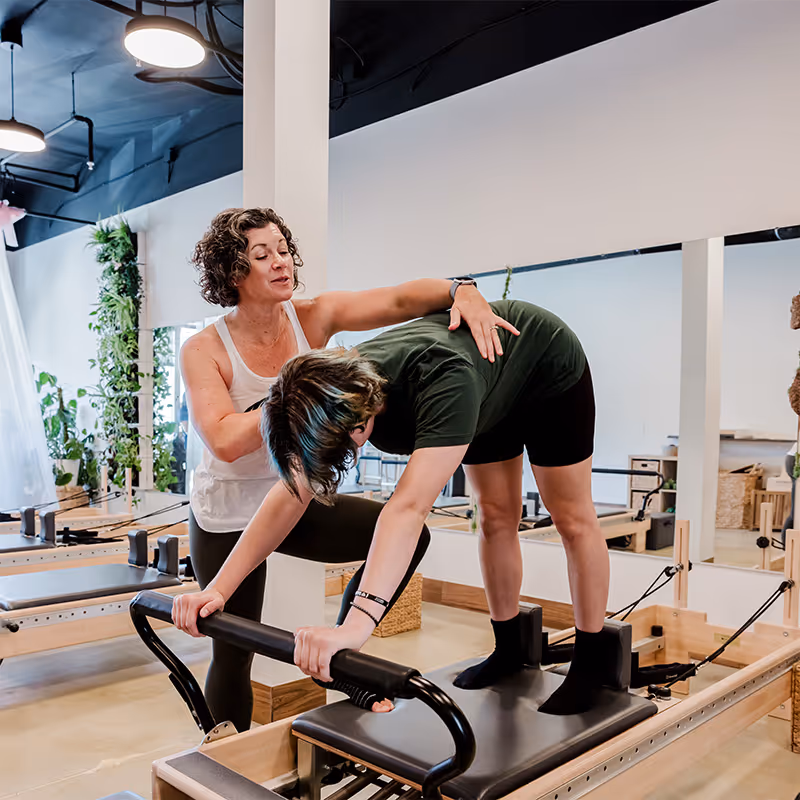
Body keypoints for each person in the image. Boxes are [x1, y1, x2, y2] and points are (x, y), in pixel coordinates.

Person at [177, 298, 611, 716]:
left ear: (360, 427)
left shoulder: (444, 382)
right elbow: (293, 492)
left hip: (545, 368)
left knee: (570, 517)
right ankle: (510, 650)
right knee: (497, 516)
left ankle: (591, 664)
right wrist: (218, 588)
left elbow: (406, 511)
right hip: (490, 382)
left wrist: (355, 628)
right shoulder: (329, 390)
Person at [179, 207, 517, 731]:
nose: (279, 262)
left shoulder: (313, 316)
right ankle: (223, 760)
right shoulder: (204, 348)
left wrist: (462, 290)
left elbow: (402, 299)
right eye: (261, 255)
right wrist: (303, 387)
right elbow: (223, 440)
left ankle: (337, 658)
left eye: (283, 250)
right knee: (233, 648)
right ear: (232, 272)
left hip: (293, 497)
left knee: (411, 538)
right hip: (227, 514)